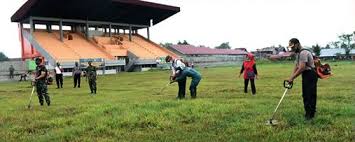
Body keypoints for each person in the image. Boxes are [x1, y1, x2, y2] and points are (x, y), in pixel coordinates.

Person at [287, 38, 318, 120]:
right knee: (305, 94)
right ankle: (309, 112)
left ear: (297, 44)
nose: (292, 49)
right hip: (306, 74)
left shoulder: (304, 52)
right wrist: (291, 77)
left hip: (310, 74)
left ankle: (310, 115)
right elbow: (296, 66)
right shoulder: (298, 53)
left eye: (293, 47)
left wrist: (293, 77)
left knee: (309, 94)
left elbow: (302, 68)